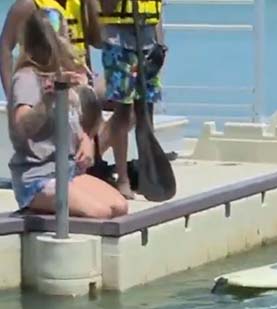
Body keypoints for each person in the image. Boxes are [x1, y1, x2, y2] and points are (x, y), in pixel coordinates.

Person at [8, 10, 127, 218]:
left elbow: (77, 121)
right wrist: (48, 99)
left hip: (69, 171)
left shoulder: (64, 75)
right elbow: (22, 126)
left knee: (119, 206)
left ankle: (60, 202)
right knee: (99, 212)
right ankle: (39, 207)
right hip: (39, 177)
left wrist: (85, 141)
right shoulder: (26, 78)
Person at [98, 0, 167, 199]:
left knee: (147, 114)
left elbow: (158, 12)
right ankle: (123, 179)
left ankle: (148, 174)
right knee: (123, 113)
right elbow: (107, 7)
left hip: (148, 42)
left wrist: (160, 46)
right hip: (118, 41)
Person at [0, 0, 102, 97]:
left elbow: (99, 42)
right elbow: (5, 47)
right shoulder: (29, 5)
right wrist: (11, 96)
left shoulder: (80, 4)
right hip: (46, 91)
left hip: (80, 87)